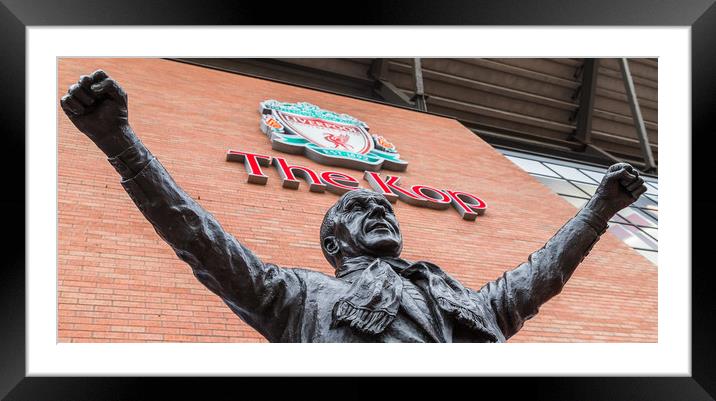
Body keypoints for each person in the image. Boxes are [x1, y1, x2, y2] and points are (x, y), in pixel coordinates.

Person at [60, 70, 648, 343]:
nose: (383, 212)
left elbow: (539, 276)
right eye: (360, 210)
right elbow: (200, 239)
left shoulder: (465, 305)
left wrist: (598, 209)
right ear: (335, 246)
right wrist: (119, 143)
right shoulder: (297, 296)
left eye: (386, 208)